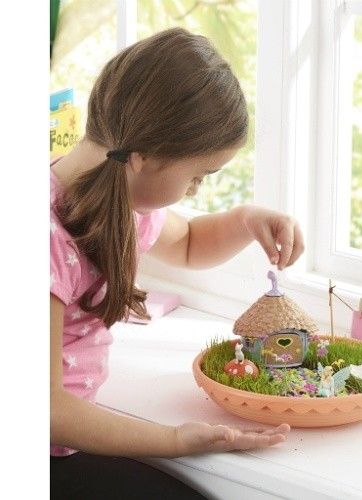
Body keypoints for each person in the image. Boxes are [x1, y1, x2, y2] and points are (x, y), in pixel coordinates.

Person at [50, 27, 304, 498]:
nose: (195, 190)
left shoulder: (118, 193)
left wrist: (246, 220)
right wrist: (174, 441)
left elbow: (187, 242)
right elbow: (45, 409)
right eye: (198, 176)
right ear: (144, 157)